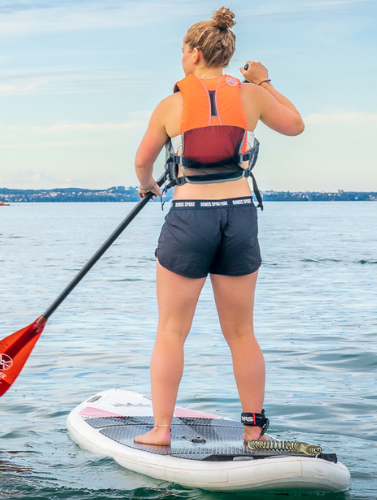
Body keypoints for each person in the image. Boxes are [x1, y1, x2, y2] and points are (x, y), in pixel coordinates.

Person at [132, 7, 304, 446]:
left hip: (190, 217)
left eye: (182, 51)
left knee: (171, 330)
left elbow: (142, 161)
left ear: (193, 54)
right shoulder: (252, 96)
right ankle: (253, 430)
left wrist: (148, 185)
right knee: (242, 332)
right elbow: (296, 125)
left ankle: (161, 430)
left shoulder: (171, 105)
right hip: (239, 217)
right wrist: (264, 82)